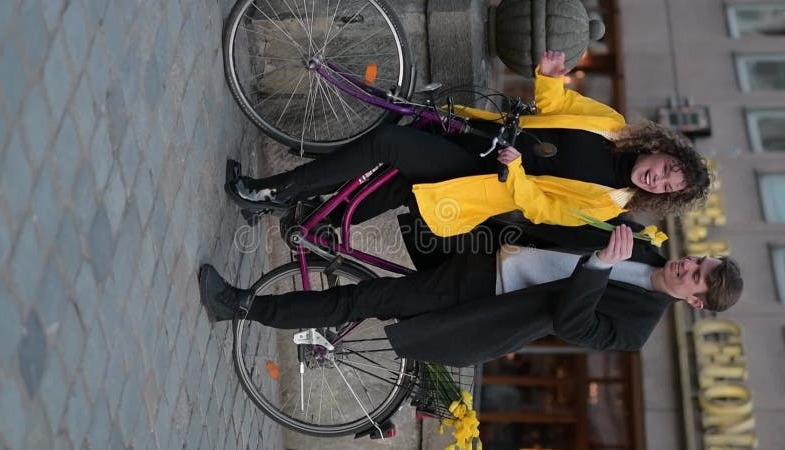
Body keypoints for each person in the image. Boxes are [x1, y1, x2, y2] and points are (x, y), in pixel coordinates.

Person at [226, 51, 709, 234]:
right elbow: (558, 109)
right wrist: (550, 78)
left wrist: (516, 168)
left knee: (389, 148)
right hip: (483, 131)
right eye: (667, 168)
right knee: (397, 162)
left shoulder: (608, 204)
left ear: (659, 197)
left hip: (482, 176)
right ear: (659, 149)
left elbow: (540, 209)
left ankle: (273, 192)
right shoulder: (614, 125)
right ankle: (314, 219)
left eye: (667, 186)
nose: (659, 179)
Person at [198, 225, 743, 367]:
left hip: (485, 301)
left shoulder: (637, 330)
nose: (688, 265)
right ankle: (302, 222)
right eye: (698, 261)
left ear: (695, 302)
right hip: (490, 252)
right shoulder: (646, 249)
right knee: (414, 206)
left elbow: (573, 324)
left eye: (697, 276)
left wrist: (601, 264)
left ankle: (239, 305)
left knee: (363, 301)